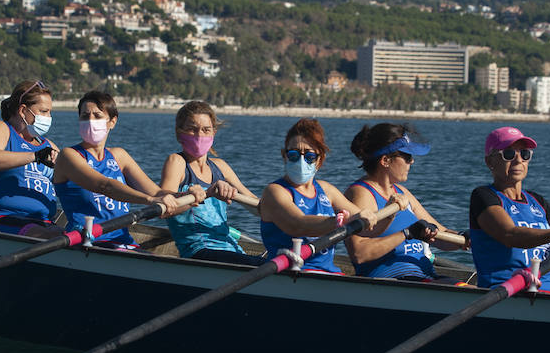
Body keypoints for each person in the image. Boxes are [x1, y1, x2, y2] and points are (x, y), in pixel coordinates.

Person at [467, 126, 550, 293]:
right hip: (503, 291)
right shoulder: (483, 196)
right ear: (490, 162)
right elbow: (511, 236)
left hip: (546, 291)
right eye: (509, 154)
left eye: (524, 154)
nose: (518, 161)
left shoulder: (538, 201)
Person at [52, 90, 193, 248]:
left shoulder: (119, 156)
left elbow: (157, 193)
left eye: (97, 116)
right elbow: (104, 186)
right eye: (85, 116)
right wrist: (150, 201)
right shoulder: (69, 156)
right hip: (88, 241)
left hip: (122, 240)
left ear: (112, 122)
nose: (90, 121)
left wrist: (187, 196)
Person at [344, 123, 466, 282]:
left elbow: (441, 237)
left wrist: (464, 238)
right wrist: (406, 234)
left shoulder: (402, 192)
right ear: (386, 160)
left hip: (424, 278)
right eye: (407, 156)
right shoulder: (362, 193)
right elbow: (360, 253)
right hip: (392, 281)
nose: (412, 161)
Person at [258, 118, 378, 274]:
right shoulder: (275, 191)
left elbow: (370, 229)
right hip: (291, 273)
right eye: (293, 155)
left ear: (320, 160)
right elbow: (299, 225)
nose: (301, 161)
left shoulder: (327, 190)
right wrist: (342, 221)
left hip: (328, 272)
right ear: (284, 155)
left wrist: (390, 213)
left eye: (309, 156)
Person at [160, 101, 265, 266]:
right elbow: (166, 208)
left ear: (213, 133)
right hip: (199, 251)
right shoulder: (177, 162)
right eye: (192, 129)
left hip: (231, 248)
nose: (199, 135)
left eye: (205, 130)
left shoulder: (220, 166)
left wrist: (287, 211)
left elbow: (257, 205)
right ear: (179, 133)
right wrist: (207, 193)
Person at [0, 79, 60, 238]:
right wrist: (35, 156)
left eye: (50, 112)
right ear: (23, 110)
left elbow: (69, 187)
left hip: (45, 223)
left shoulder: (50, 146)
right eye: (43, 111)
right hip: (2, 219)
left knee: (73, 236)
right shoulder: (1, 129)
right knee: (46, 235)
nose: (49, 117)